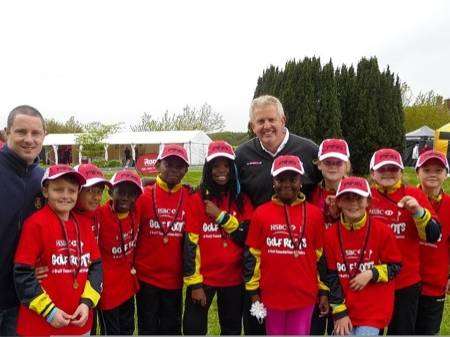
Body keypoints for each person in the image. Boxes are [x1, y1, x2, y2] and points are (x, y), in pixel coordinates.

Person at [235, 95, 322, 334]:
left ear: (283, 119)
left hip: (300, 250)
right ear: (252, 126)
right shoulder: (242, 155)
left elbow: (331, 181)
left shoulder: (308, 149)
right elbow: (226, 189)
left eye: (271, 119)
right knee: (258, 325)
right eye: (260, 121)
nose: (266, 126)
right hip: (259, 248)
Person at [13, 165, 102, 336]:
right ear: (45, 191)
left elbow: (96, 267)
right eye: (58, 190)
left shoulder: (84, 225)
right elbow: (22, 273)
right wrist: (49, 311)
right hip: (41, 324)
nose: (66, 196)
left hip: (79, 323)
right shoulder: (35, 224)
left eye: (72, 190)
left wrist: (87, 303)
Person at [244, 155, 328, 335]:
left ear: (301, 181)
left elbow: (320, 257)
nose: (287, 184)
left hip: (304, 296)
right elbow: (253, 255)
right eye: (281, 179)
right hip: (271, 295)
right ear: (273, 181)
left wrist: (323, 291)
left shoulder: (314, 215)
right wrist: (253, 292)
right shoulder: (261, 213)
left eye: (293, 179)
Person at [183, 141, 253, 335]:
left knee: (231, 330)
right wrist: (195, 284)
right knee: (193, 329)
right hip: (203, 280)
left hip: (233, 279)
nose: (221, 170)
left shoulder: (242, 199)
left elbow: (246, 236)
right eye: (215, 165)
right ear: (208, 168)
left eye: (226, 165)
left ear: (233, 169)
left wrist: (220, 216)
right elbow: (190, 245)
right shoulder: (196, 199)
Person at [368, 148, 441, 335]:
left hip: (405, 283)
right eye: (382, 169)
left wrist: (418, 212)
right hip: (370, 281)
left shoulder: (413, 195)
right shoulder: (363, 196)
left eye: (393, 168)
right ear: (372, 172)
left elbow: (433, 235)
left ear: (401, 171)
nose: (388, 173)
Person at [324, 177, 402, 336]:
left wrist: (371, 273)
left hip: (373, 312)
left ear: (369, 202)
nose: (353, 203)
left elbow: (395, 266)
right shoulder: (330, 235)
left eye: (359, 198)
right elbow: (331, 276)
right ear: (338, 202)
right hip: (345, 309)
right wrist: (339, 311)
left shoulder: (382, 231)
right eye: (347, 198)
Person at [134, 144, 192, 335]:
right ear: (158, 165)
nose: (174, 169)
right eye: (169, 164)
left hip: (174, 280)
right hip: (146, 278)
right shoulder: (142, 196)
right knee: (148, 328)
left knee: (171, 328)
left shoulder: (190, 197)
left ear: (186, 170)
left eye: (180, 165)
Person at [0, 105, 46, 335]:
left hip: (23, 299)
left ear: (44, 137)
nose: (29, 139)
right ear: (6, 133)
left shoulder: (45, 181)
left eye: (35, 133)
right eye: (21, 132)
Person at [310, 138, 351, 335]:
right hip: (315, 270)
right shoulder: (310, 193)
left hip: (345, 271)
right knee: (314, 328)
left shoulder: (357, 194)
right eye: (327, 162)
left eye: (338, 162)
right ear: (319, 165)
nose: (333, 166)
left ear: (347, 165)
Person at [97, 169, 143, 335]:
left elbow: (148, 185)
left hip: (127, 286)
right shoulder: (99, 214)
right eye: (120, 192)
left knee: (128, 328)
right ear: (110, 191)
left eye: (131, 194)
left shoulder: (136, 211)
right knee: (111, 331)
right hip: (107, 290)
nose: (125, 197)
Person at [414, 150, 450, 334]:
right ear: (417, 172)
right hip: (405, 284)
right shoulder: (407, 201)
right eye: (427, 169)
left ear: (445, 174)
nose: (433, 174)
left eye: (438, 170)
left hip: (435, 284)